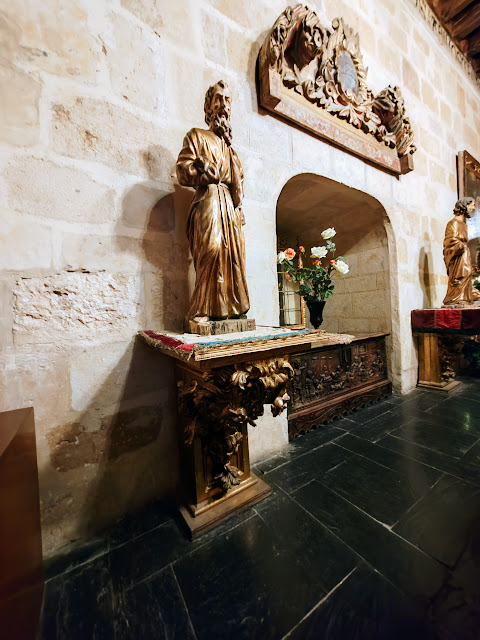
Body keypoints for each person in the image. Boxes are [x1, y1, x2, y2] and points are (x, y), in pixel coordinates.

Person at [176, 80, 250, 322]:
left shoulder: (231, 149)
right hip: (208, 198)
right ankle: (202, 309)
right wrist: (204, 174)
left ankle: (234, 308)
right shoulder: (196, 136)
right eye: (218, 99)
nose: (224, 105)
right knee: (211, 249)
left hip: (230, 205)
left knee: (234, 258)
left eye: (227, 100)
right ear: (209, 106)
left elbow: (238, 182)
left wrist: (238, 202)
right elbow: (183, 170)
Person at [443, 197, 480, 306]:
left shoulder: (464, 225)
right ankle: (456, 299)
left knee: (467, 274)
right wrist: (461, 246)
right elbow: (449, 242)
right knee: (459, 277)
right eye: (471, 205)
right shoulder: (453, 223)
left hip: (464, 256)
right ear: (464, 206)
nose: (473, 208)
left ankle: (465, 299)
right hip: (458, 258)